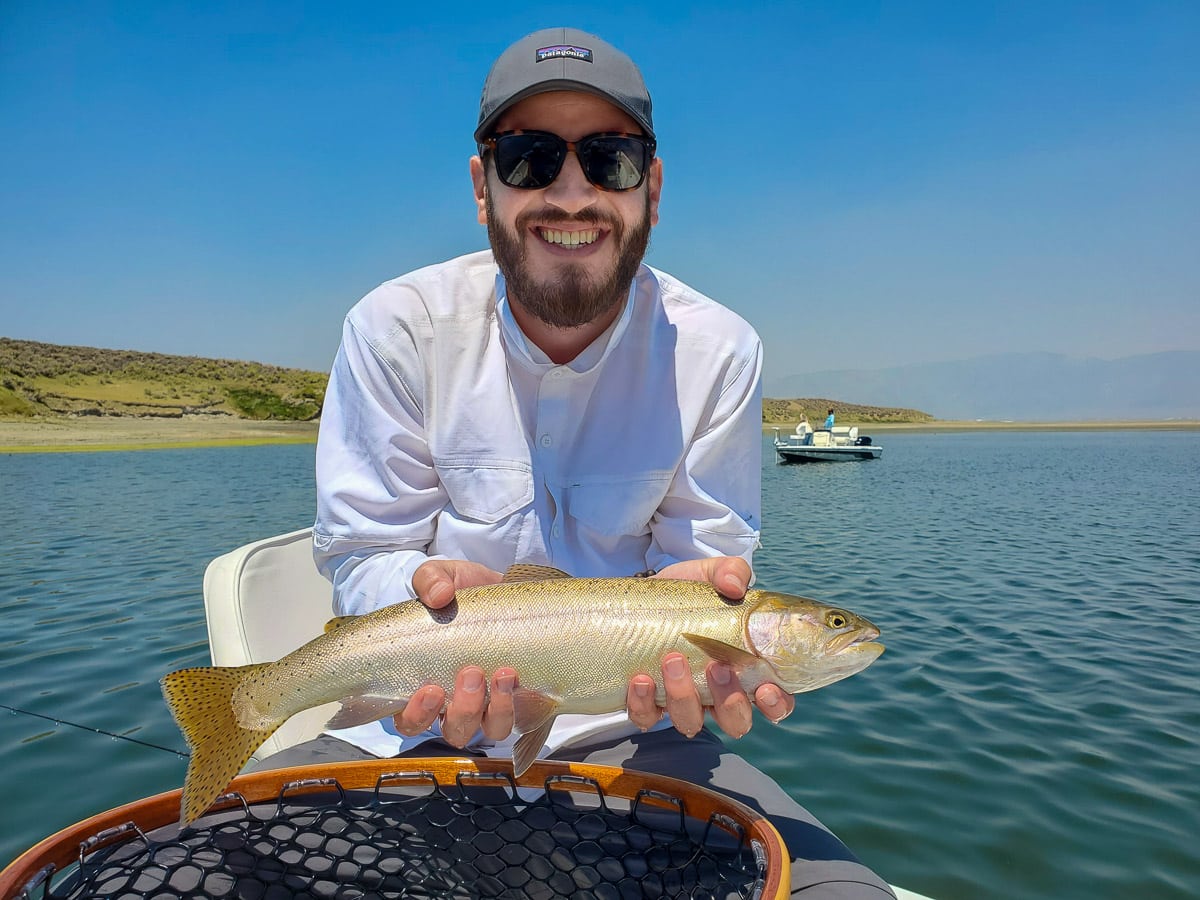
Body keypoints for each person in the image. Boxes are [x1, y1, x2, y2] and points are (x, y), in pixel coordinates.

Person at [266, 27, 894, 897]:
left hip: (640, 734)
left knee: (838, 891)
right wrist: (418, 601)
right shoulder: (395, 327)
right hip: (410, 726)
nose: (571, 193)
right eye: (529, 158)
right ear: (482, 187)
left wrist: (699, 611)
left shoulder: (719, 350)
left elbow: (695, 560)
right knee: (226, 869)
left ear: (654, 188)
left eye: (610, 159)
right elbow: (365, 556)